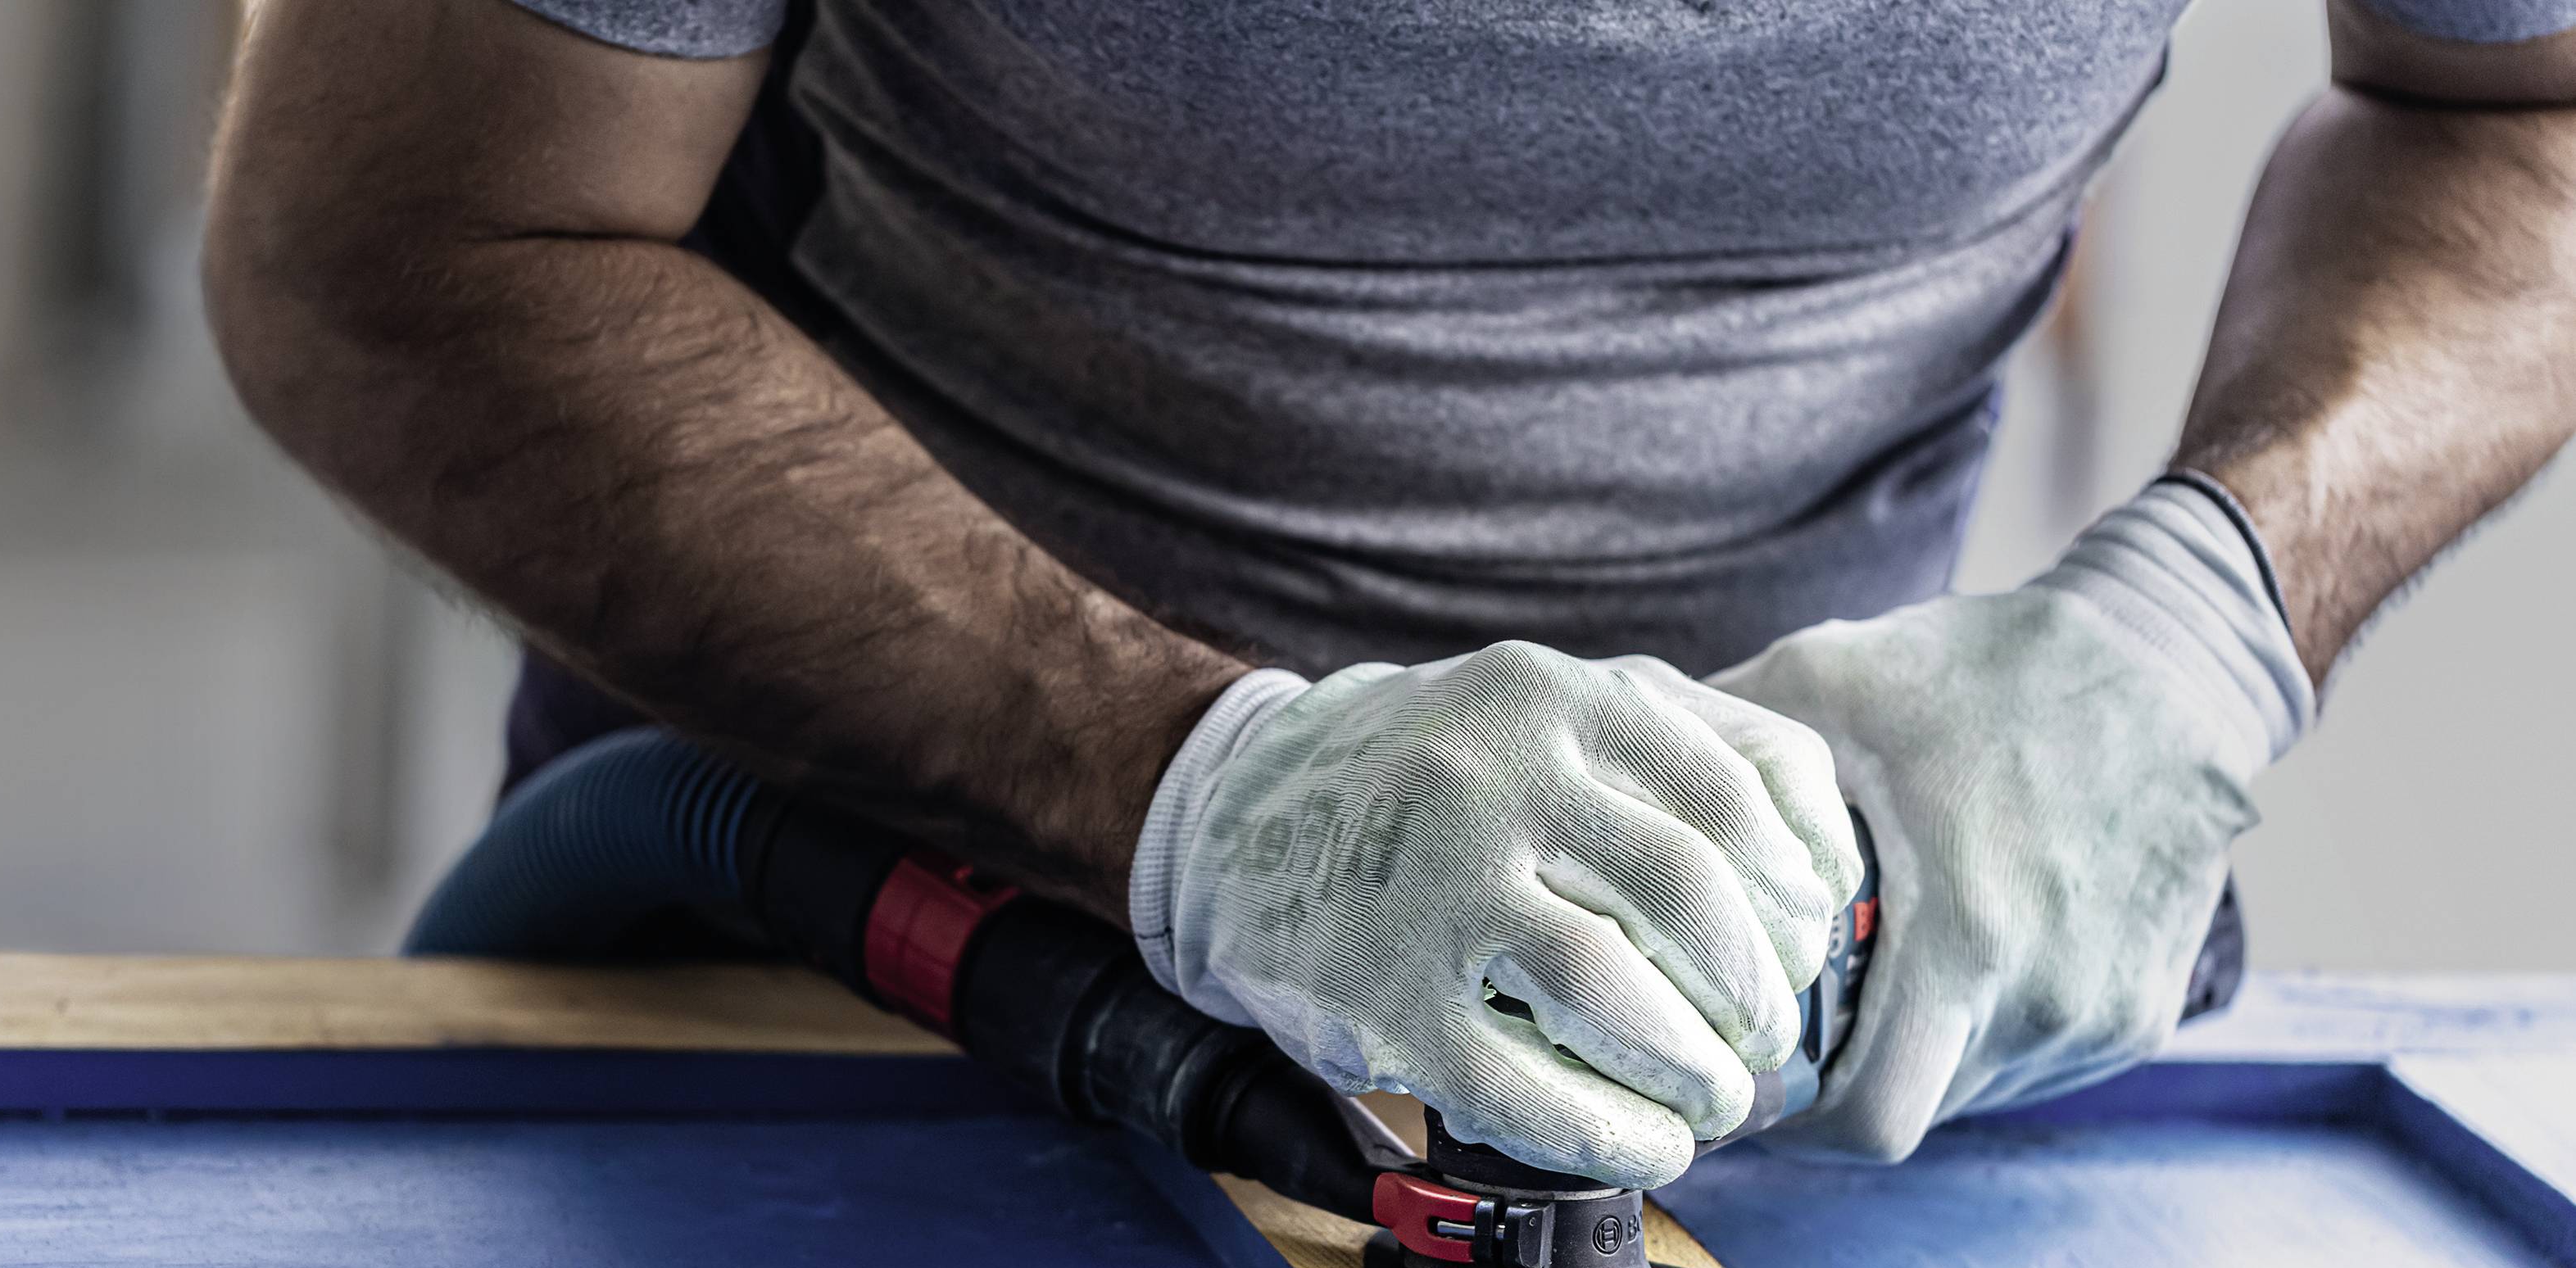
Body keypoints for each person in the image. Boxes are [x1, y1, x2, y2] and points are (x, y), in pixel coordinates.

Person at [206, 0, 2576, 1182]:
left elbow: (2518, 97)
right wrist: (1195, 784)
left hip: (1782, 1081)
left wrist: (2198, 620)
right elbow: (393, 235)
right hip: (863, 994)